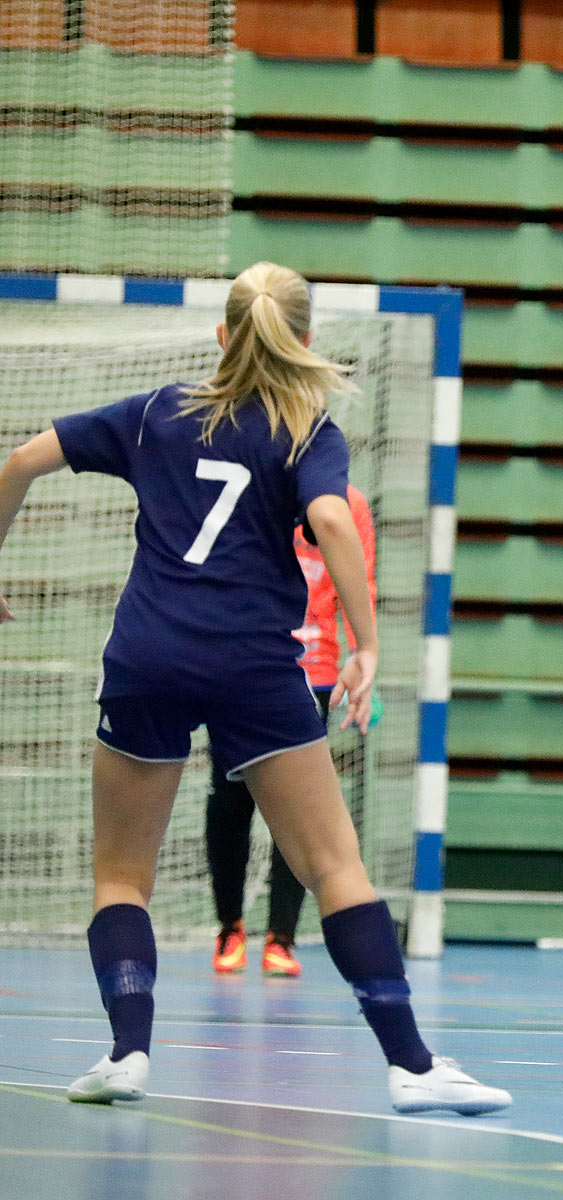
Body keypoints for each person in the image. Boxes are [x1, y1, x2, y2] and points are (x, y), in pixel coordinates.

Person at [0, 261, 510, 1113]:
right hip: (253, 666)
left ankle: (128, 1053)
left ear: (221, 336)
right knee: (334, 867)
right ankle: (413, 1067)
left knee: (121, 877)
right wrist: (367, 642)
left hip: (147, 658)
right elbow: (337, 517)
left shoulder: (155, 413)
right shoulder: (309, 431)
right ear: (304, 342)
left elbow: (18, 461)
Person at [208, 483, 377, 979]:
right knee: (229, 797)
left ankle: (282, 936)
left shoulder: (352, 504)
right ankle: (230, 926)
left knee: (298, 807)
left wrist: (361, 655)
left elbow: (358, 580)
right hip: (241, 663)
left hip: (315, 672)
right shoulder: (253, 484)